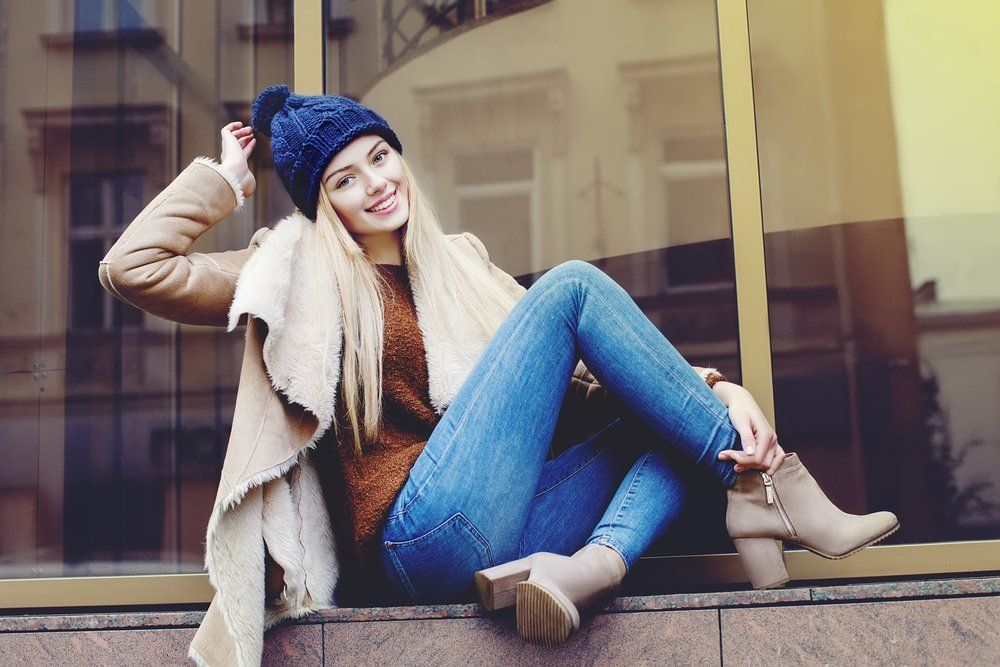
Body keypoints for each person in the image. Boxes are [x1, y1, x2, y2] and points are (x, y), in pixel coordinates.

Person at [98, 85, 899, 665]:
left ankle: (594, 566)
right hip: (417, 537)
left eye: (380, 158)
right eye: (346, 178)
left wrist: (717, 386)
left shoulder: (462, 268)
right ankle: (772, 491)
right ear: (324, 204)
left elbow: (591, 389)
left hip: (508, 535)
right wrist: (226, 181)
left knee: (665, 422)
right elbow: (132, 266)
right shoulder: (297, 276)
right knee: (574, 287)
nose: (377, 182)